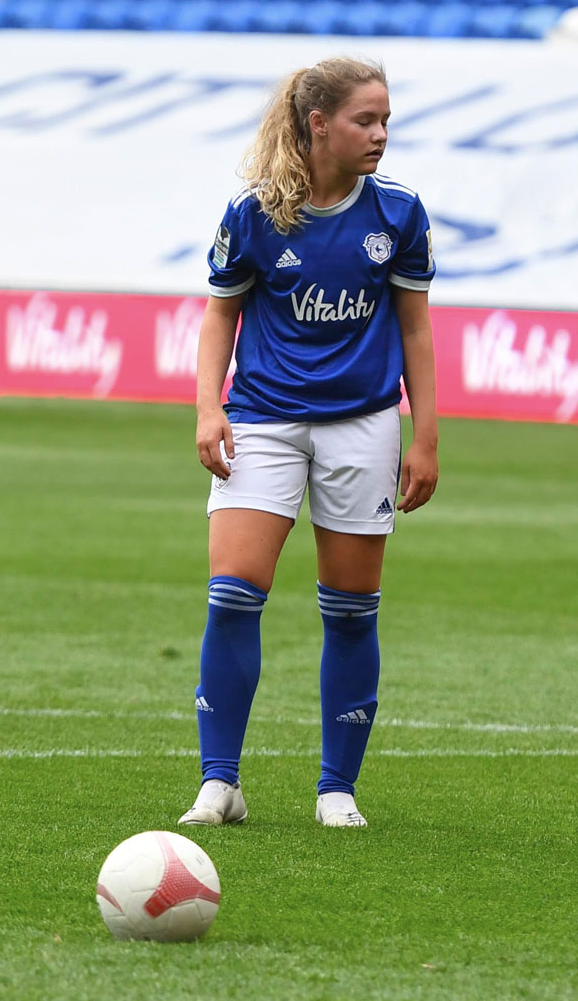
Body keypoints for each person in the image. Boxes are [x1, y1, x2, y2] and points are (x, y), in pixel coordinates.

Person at [181, 57, 438, 829]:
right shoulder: (255, 213)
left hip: (363, 424)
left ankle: (336, 789)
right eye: (367, 120)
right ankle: (219, 783)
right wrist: (206, 409)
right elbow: (220, 315)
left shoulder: (399, 214)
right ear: (318, 123)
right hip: (261, 418)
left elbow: (416, 328)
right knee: (233, 595)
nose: (382, 135)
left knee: (352, 611)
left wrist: (424, 436)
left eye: (387, 120)